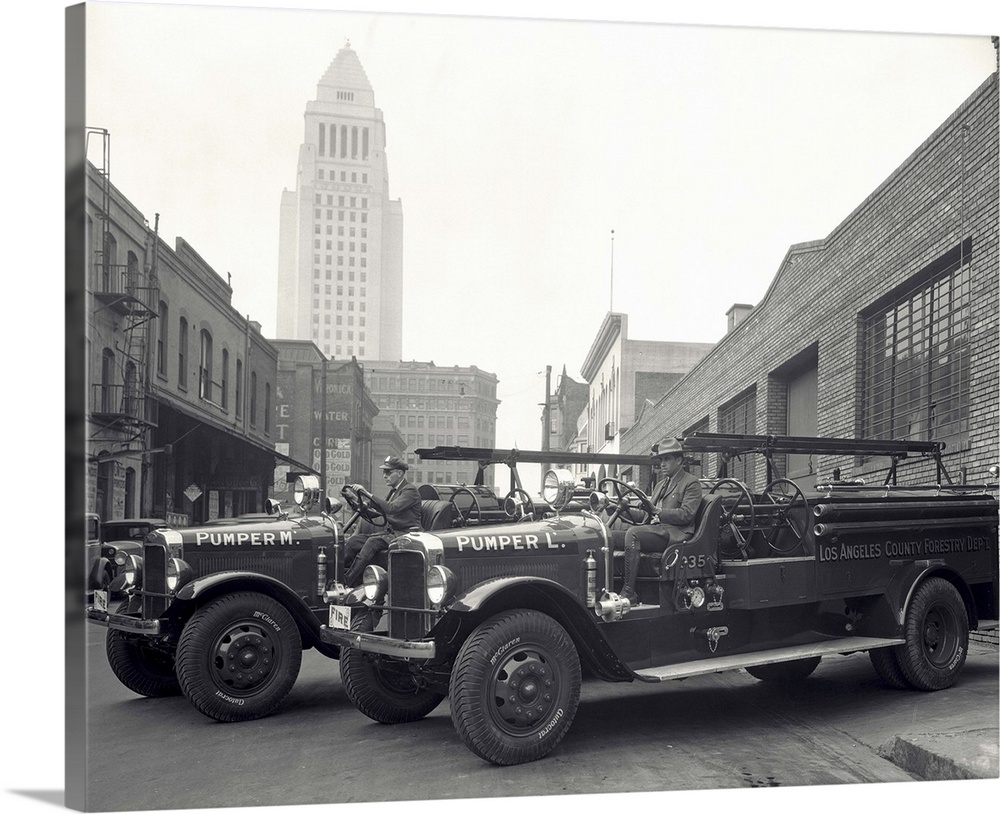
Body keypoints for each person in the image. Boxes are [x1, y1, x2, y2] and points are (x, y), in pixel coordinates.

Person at [619, 437, 703, 605]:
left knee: (633, 534)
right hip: (657, 531)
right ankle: (608, 588)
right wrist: (623, 511)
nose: (662, 464)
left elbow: (687, 514)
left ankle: (629, 592)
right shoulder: (660, 486)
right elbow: (645, 517)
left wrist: (659, 511)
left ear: (679, 460)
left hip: (675, 534)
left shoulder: (691, 483)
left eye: (667, 459)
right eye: (661, 460)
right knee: (608, 536)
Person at [342, 455, 422, 587]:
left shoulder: (409, 490)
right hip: (391, 533)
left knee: (372, 542)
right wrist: (355, 498)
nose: (384, 475)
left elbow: (391, 508)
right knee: (354, 541)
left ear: (400, 473)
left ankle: (347, 581)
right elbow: (377, 511)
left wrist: (366, 493)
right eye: (384, 472)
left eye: (388, 472)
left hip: (406, 534)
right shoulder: (394, 491)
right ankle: (337, 576)